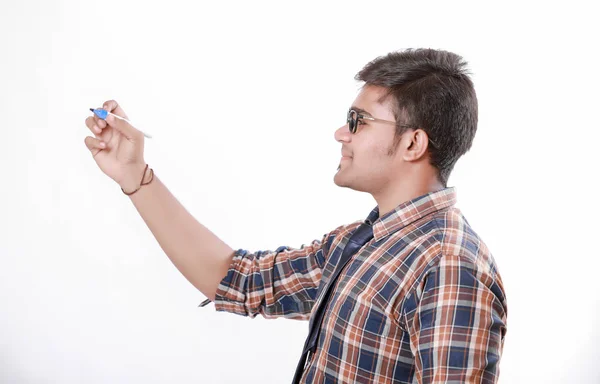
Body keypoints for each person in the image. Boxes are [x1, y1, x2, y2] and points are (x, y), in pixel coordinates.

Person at [84, 48, 507, 383]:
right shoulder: (357, 243)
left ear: (413, 144)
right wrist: (136, 176)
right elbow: (239, 280)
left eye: (357, 121)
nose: (341, 133)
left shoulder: (450, 266)